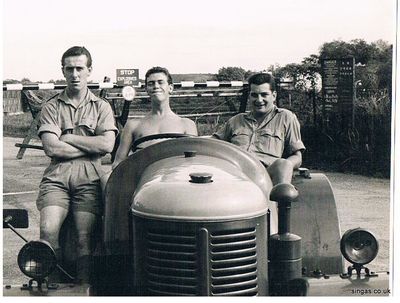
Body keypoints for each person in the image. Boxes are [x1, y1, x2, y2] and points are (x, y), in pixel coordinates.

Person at [36, 46, 118, 282]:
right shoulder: (51, 107)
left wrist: (69, 137)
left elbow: (106, 146)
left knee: (85, 238)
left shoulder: (101, 107)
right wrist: (89, 145)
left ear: (89, 71)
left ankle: (83, 289)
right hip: (56, 178)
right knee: (47, 232)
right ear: (62, 71)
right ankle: (51, 287)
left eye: (79, 68)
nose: (75, 74)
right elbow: (51, 148)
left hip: (89, 178)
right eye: (69, 68)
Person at [213, 72, 305, 197]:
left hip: (266, 176)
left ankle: (276, 213)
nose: (259, 100)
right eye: (254, 95)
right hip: (235, 175)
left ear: (274, 95)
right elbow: (213, 144)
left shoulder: (286, 117)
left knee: (283, 164)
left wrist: (286, 165)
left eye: (264, 94)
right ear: (249, 97)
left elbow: (297, 156)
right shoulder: (236, 121)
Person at [111, 66, 198, 169]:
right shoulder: (133, 125)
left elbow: (193, 163)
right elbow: (118, 163)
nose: (156, 86)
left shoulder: (187, 125)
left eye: (160, 82)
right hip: (143, 178)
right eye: (151, 83)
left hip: (174, 178)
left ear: (170, 88)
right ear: (147, 90)